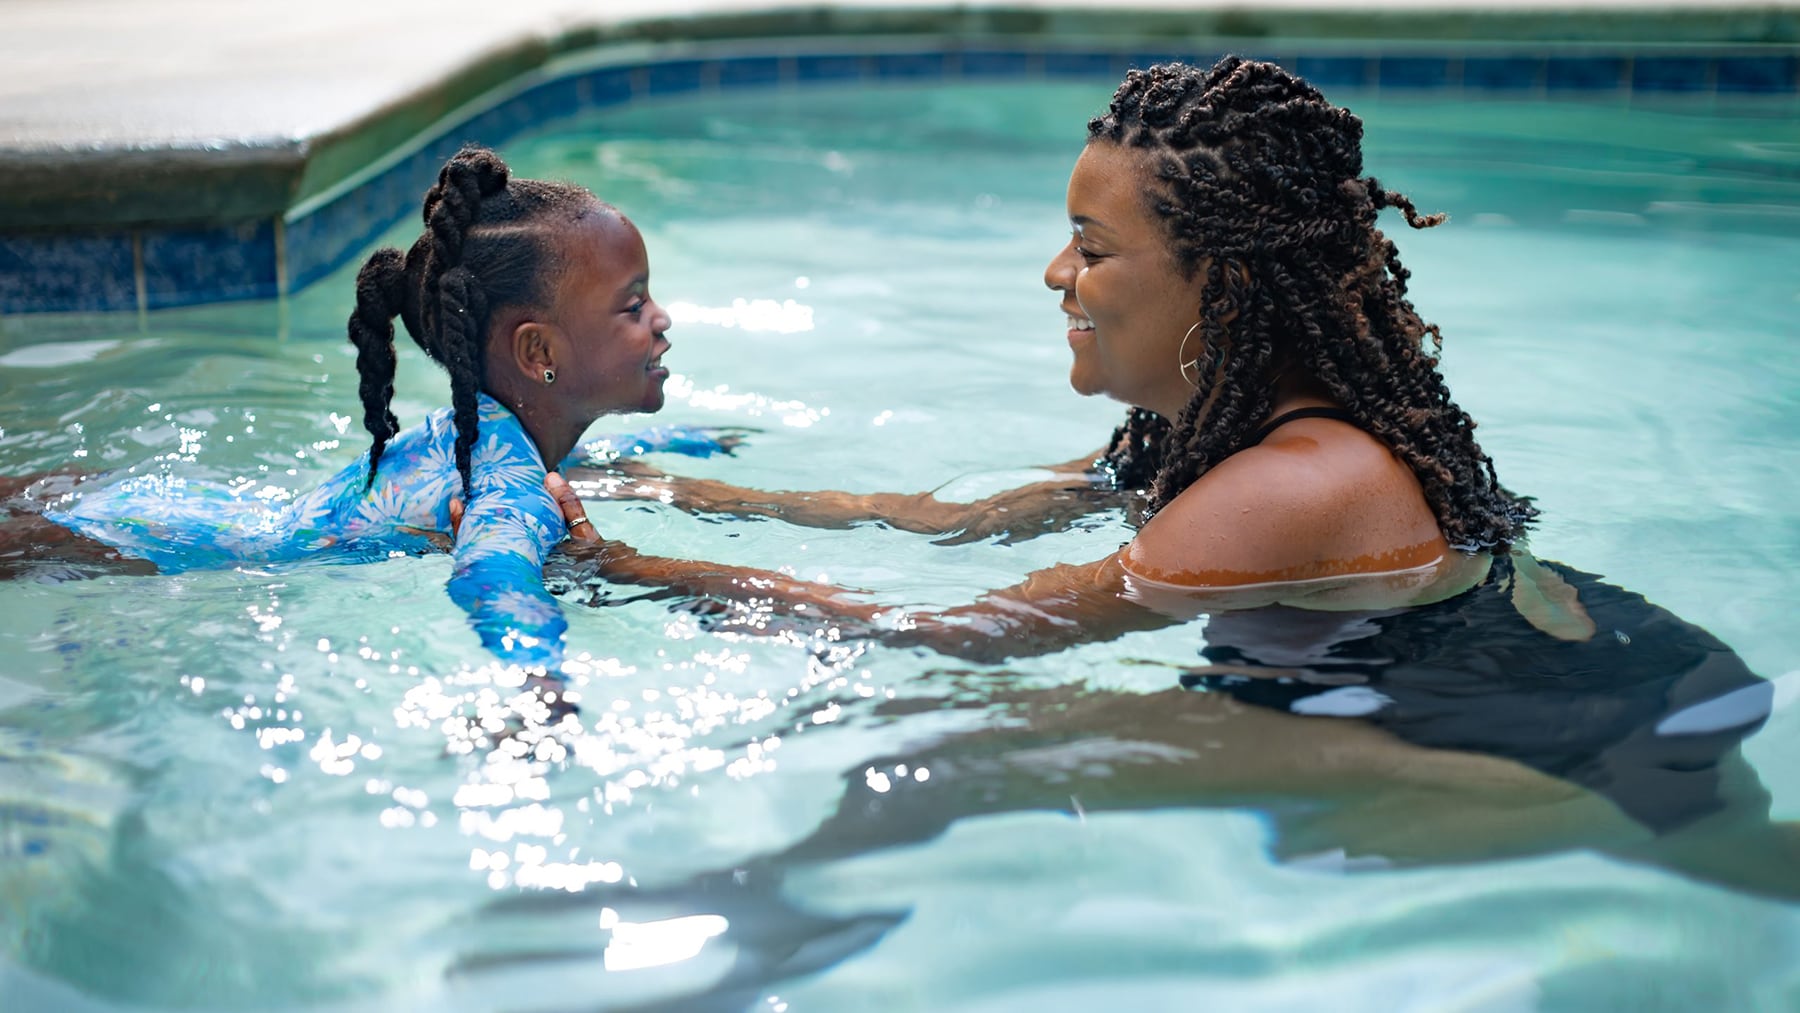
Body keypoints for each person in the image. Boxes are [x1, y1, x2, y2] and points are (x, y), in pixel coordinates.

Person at [546, 56, 1543, 656]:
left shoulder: (1289, 486)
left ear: (1220, 288)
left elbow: (958, 634)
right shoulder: (1192, 442)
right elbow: (946, 521)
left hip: (1575, 747)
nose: (1056, 272)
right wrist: (663, 491)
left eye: (1094, 248)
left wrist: (607, 564)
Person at [1, 145, 679, 675]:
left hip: (157, 506)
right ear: (538, 354)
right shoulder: (509, 489)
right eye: (633, 304)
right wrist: (541, 690)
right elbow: (493, 579)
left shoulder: (482, 429)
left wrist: (702, 454)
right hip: (135, 544)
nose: (661, 318)